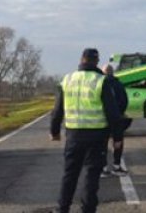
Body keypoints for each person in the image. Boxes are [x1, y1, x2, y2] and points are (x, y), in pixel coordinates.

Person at [51, 48, 123, 213]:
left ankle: (62, 209)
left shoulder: (67, 80)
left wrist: (54, 131)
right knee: (91, 176)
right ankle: (88, 210)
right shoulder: (101, 81)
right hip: (97, 138)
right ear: (96, 62)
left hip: (73, 136)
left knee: (69, 175)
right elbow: (112, 113)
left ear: (81, 59)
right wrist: (117, 137)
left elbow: (57, 110)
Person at [101, 64, 132, 177]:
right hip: (117, 117)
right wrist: (119, 112)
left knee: (102, 143)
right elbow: (124, 100)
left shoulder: (99, 84)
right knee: (117, 141)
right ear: (112, 72)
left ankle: (103, 168)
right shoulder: (118, 84)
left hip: (102, 118)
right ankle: (116, 166)